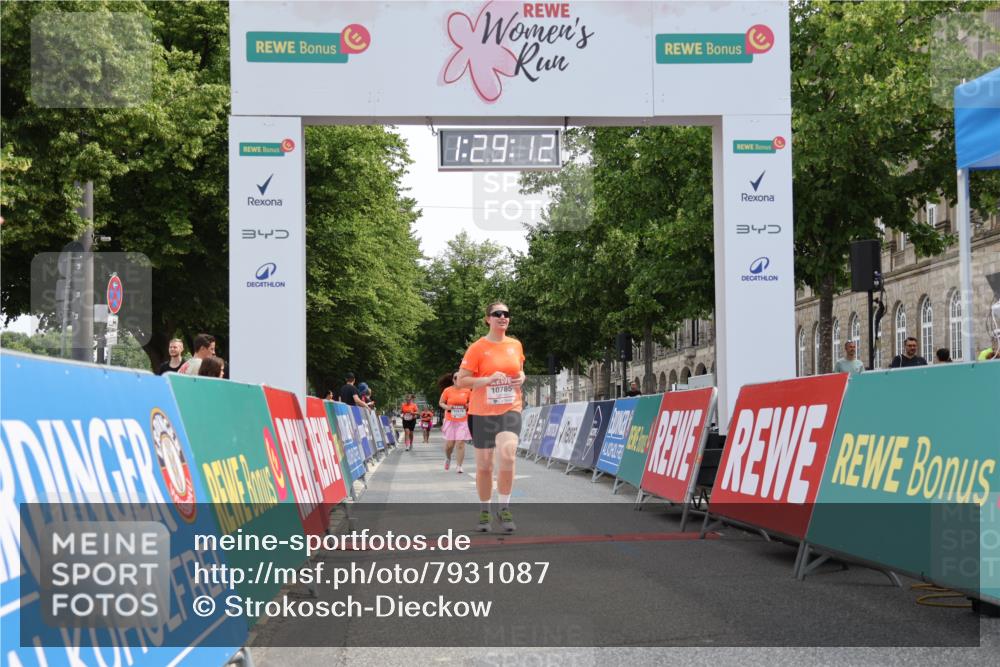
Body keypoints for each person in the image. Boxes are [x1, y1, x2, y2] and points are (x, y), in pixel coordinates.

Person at [456, 301, 525, 533]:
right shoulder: (477, 348)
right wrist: (486, 380)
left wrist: (522, 378)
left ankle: (504, 508)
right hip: (482, 411)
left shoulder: (515, 345)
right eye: (497, 314)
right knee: (485, 466)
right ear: (488, 319)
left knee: (508, 455)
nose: (502, 317)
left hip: (510, 408)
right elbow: (463, 380)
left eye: (506, 314)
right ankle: (485, 511)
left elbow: (520, 370)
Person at [438, 371, 471, 473]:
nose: (458, 380)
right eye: (456, 378)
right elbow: (441, 403)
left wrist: (467, 405)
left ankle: (459, 466)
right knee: (449, 445)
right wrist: (448, 407)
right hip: (450, 420)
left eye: (460, 378)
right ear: (453, 380)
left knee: (460, 443)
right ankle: (448, 458)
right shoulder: (447, 390)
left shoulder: (467, 390)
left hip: (463, 420)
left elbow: (472, 402)